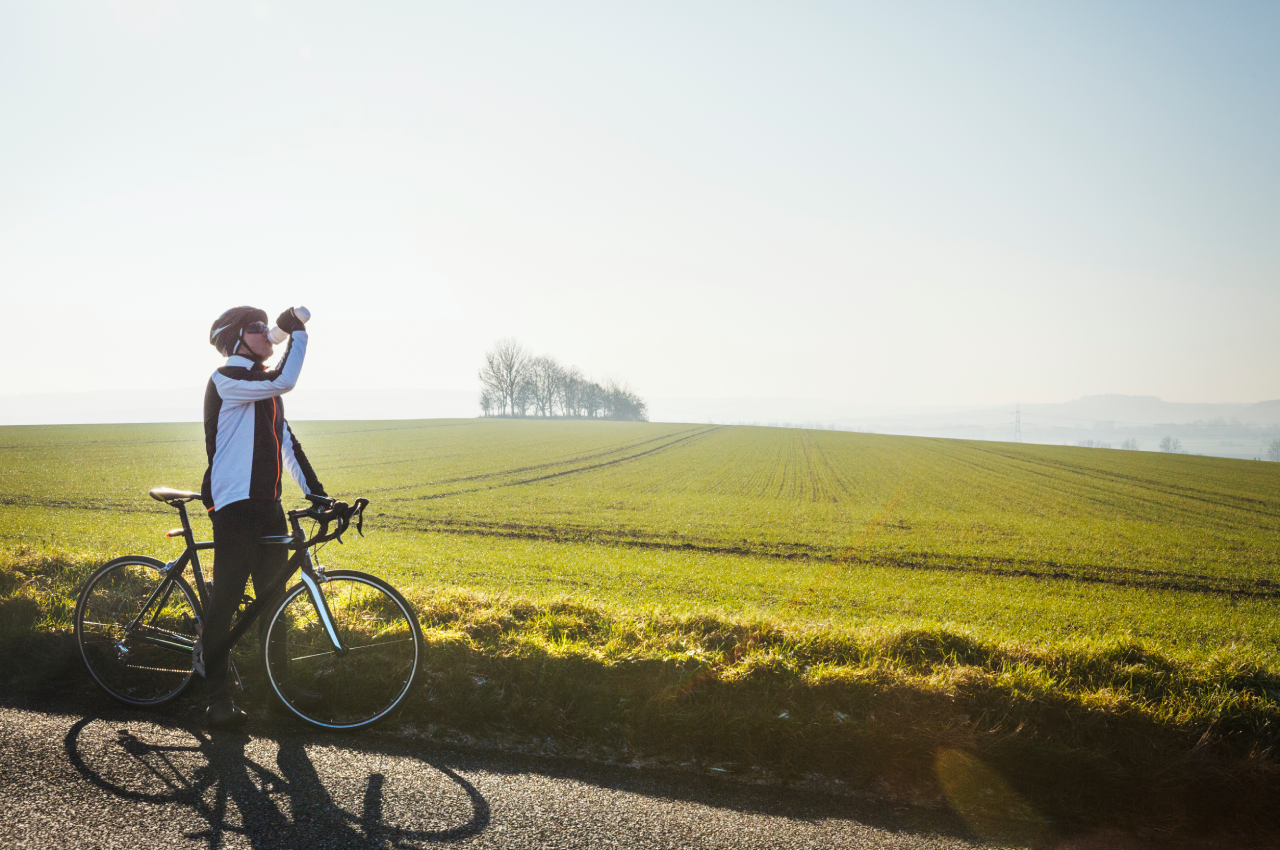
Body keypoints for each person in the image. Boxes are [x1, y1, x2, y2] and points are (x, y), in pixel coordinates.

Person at [198, 305, 327, 728]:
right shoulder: (228, 379)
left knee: (274, 603)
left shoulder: (262, 390)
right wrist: (297, 334)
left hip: (267, 506)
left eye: (265, 326)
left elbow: (287, 443)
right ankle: (217, 697)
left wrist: (317, 495)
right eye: (255, 328)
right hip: (233, 506)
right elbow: (284, 379)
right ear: (236, 339)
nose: (264, 333)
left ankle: (279, 692)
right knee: (227, 601)